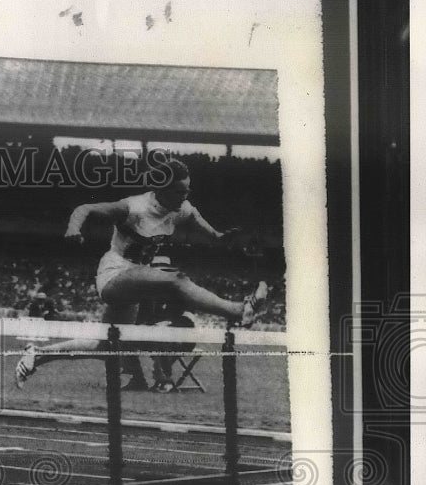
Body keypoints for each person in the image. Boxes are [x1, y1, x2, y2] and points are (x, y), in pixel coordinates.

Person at [14, 157, 267, 389]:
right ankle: (238, 310)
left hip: (137, 278)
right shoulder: (134, 209)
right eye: (180, 191)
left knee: (107, 344)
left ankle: (37, 355)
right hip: (114, 274)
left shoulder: (183, 209)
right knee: (175, 280)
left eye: (187, 189)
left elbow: (205, 229)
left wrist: (221, 237)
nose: (185, 195)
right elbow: (84, 209)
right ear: (161, 189)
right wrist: (73, 229)